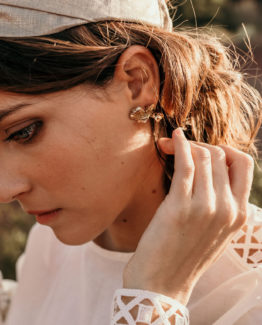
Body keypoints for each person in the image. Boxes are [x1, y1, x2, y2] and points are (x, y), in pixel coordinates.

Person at [0, 0, 261, 324]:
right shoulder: (50, 244)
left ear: (137, 81)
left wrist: (156, 299)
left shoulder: (250, 292)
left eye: (23, 132)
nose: (5, 191)